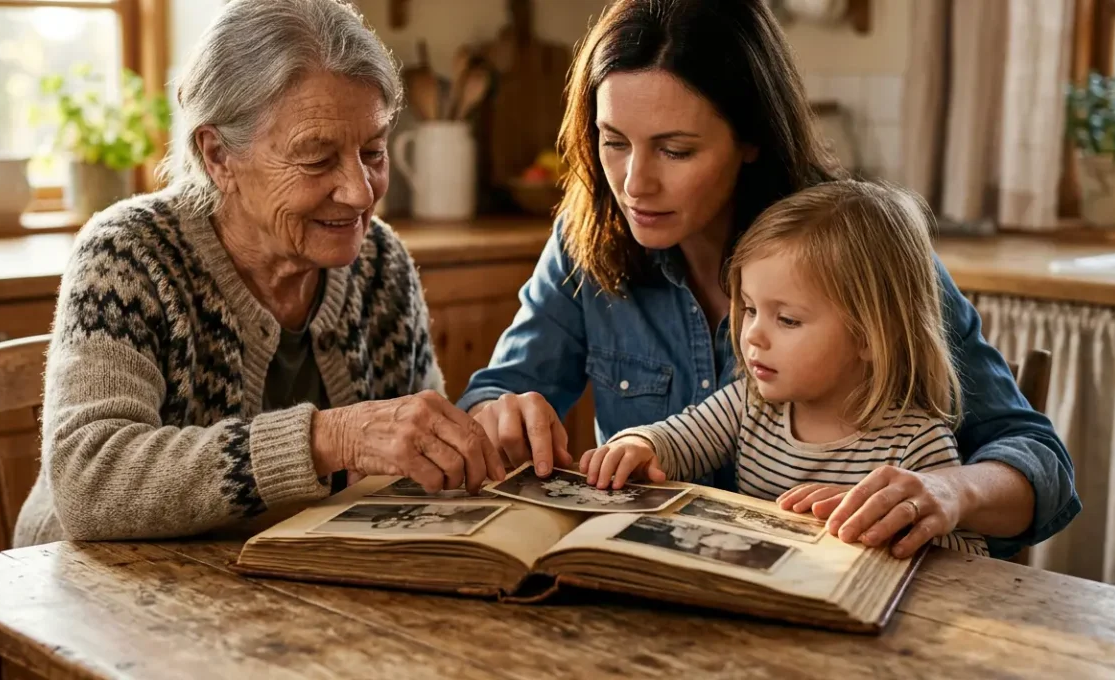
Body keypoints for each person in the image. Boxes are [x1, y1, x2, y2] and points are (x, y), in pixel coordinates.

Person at [457, 0, 1077, 559]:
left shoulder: (854, 251)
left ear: (751, 139)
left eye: (675, 150)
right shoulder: (585, 237)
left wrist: (951, 489)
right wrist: (499, 415)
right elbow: (497, 396)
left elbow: (1041, 464)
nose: (634, 184)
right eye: (613, 142)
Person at [13, 0, 502, 547]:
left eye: (373, 151)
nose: (361, 192)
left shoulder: (379, 263)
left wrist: (478, 435)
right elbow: (90, 484)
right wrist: (327, 438)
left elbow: (415, 453)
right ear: (219, 154)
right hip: (102, 594)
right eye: (317, 159)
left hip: (289, 589)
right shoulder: (128, 255)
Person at [580, 181, 989, 557]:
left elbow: (967, 558)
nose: (753, 336)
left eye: (788, 320)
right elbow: (678, 439)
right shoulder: (749, 403)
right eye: (751, 309)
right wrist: (638, 444)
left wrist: (892, 526)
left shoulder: (917, 442)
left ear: (869, 337)